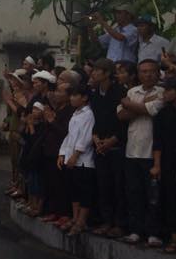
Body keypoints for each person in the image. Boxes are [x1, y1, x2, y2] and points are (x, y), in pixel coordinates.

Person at [117, 59, 165, 246]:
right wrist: (139, 106)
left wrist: (130, 104)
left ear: (158, 73)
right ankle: (136, 230)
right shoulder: (131, 92)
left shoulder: (162, 93)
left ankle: (153, 233)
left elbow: (149, 110)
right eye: (144, 71)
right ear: (138, 74)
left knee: (153, 196)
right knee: (134, 193)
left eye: (151, 71)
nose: (148, 75)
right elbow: (121, 115)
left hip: (152, 153)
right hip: (132, 151)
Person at [89, 58, 128, 238]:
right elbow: (95, 119)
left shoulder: (120, 92)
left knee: (118, 186)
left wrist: (113, 140)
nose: (94, 73)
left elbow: (123, 122)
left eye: (98, 70)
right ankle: (106, 221)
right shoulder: (95, 93)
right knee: (103, 185)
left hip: (117, 146)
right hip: (100, 144)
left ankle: (119, 223)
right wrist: (96, 137)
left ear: (106, 73)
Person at [151, 77, 176, 252]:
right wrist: (157, 164)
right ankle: (174, 237)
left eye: (168, 90)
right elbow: (157, 142)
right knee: (171, 198)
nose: (164, 94)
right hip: (168, 160)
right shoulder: (163, 113)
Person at [58, 85, 96, 236]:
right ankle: (75, 218)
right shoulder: (75, 114)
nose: (72, 98)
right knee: (73, 190)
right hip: (71, 158)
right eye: (71, 95)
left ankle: (81, 221)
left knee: (84, 191)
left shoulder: (88, 114)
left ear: (84, 97)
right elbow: (70, 136)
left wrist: (75, 155)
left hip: (84, 161)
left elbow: (86, 137)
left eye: (75, 95)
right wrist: (62, 153)